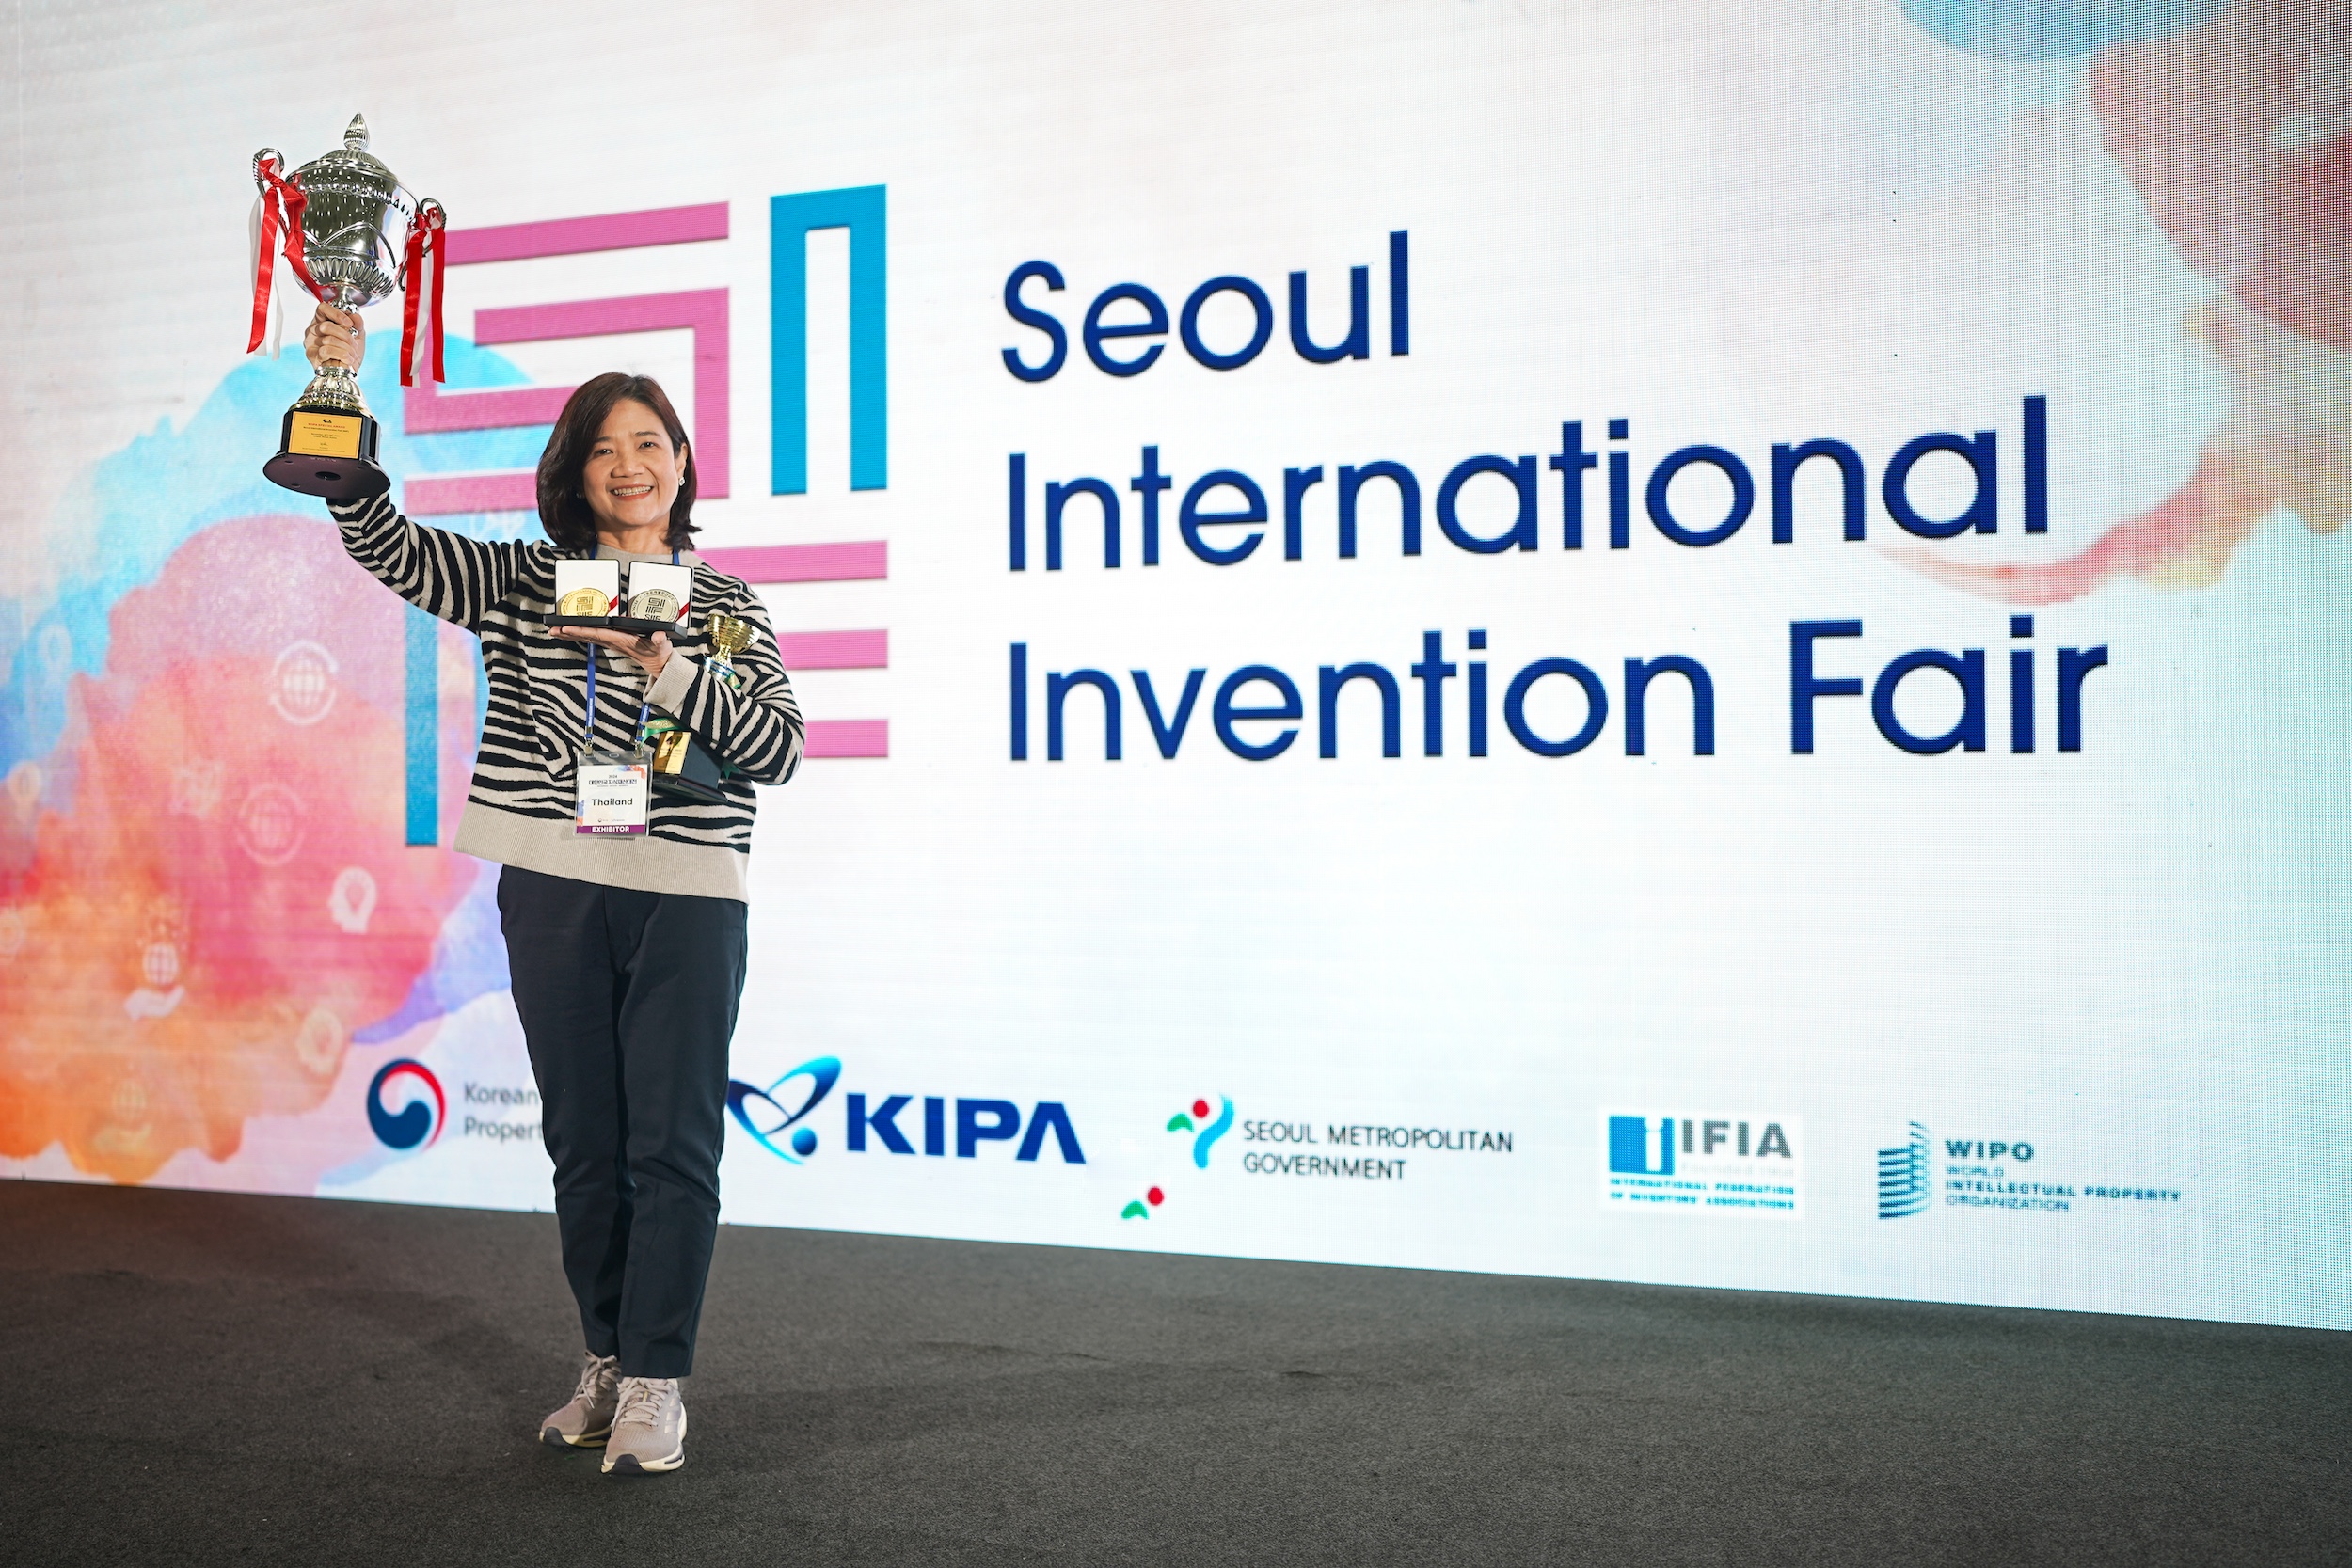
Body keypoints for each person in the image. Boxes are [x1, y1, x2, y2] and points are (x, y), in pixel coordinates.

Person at [307, 303, 804, 1474]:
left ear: (682, 464)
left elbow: (777, 748)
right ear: (574, 474)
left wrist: (667, 664)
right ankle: (606, 1357)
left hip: (686, 891)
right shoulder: (529, 582)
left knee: (671, 1147)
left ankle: (658, 1380)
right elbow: (388, 544)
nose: (629, 464)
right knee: (584, 1143)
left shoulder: (726, 604)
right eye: (603, 447)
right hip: (553, 882)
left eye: (650, 442)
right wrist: (339, 393)